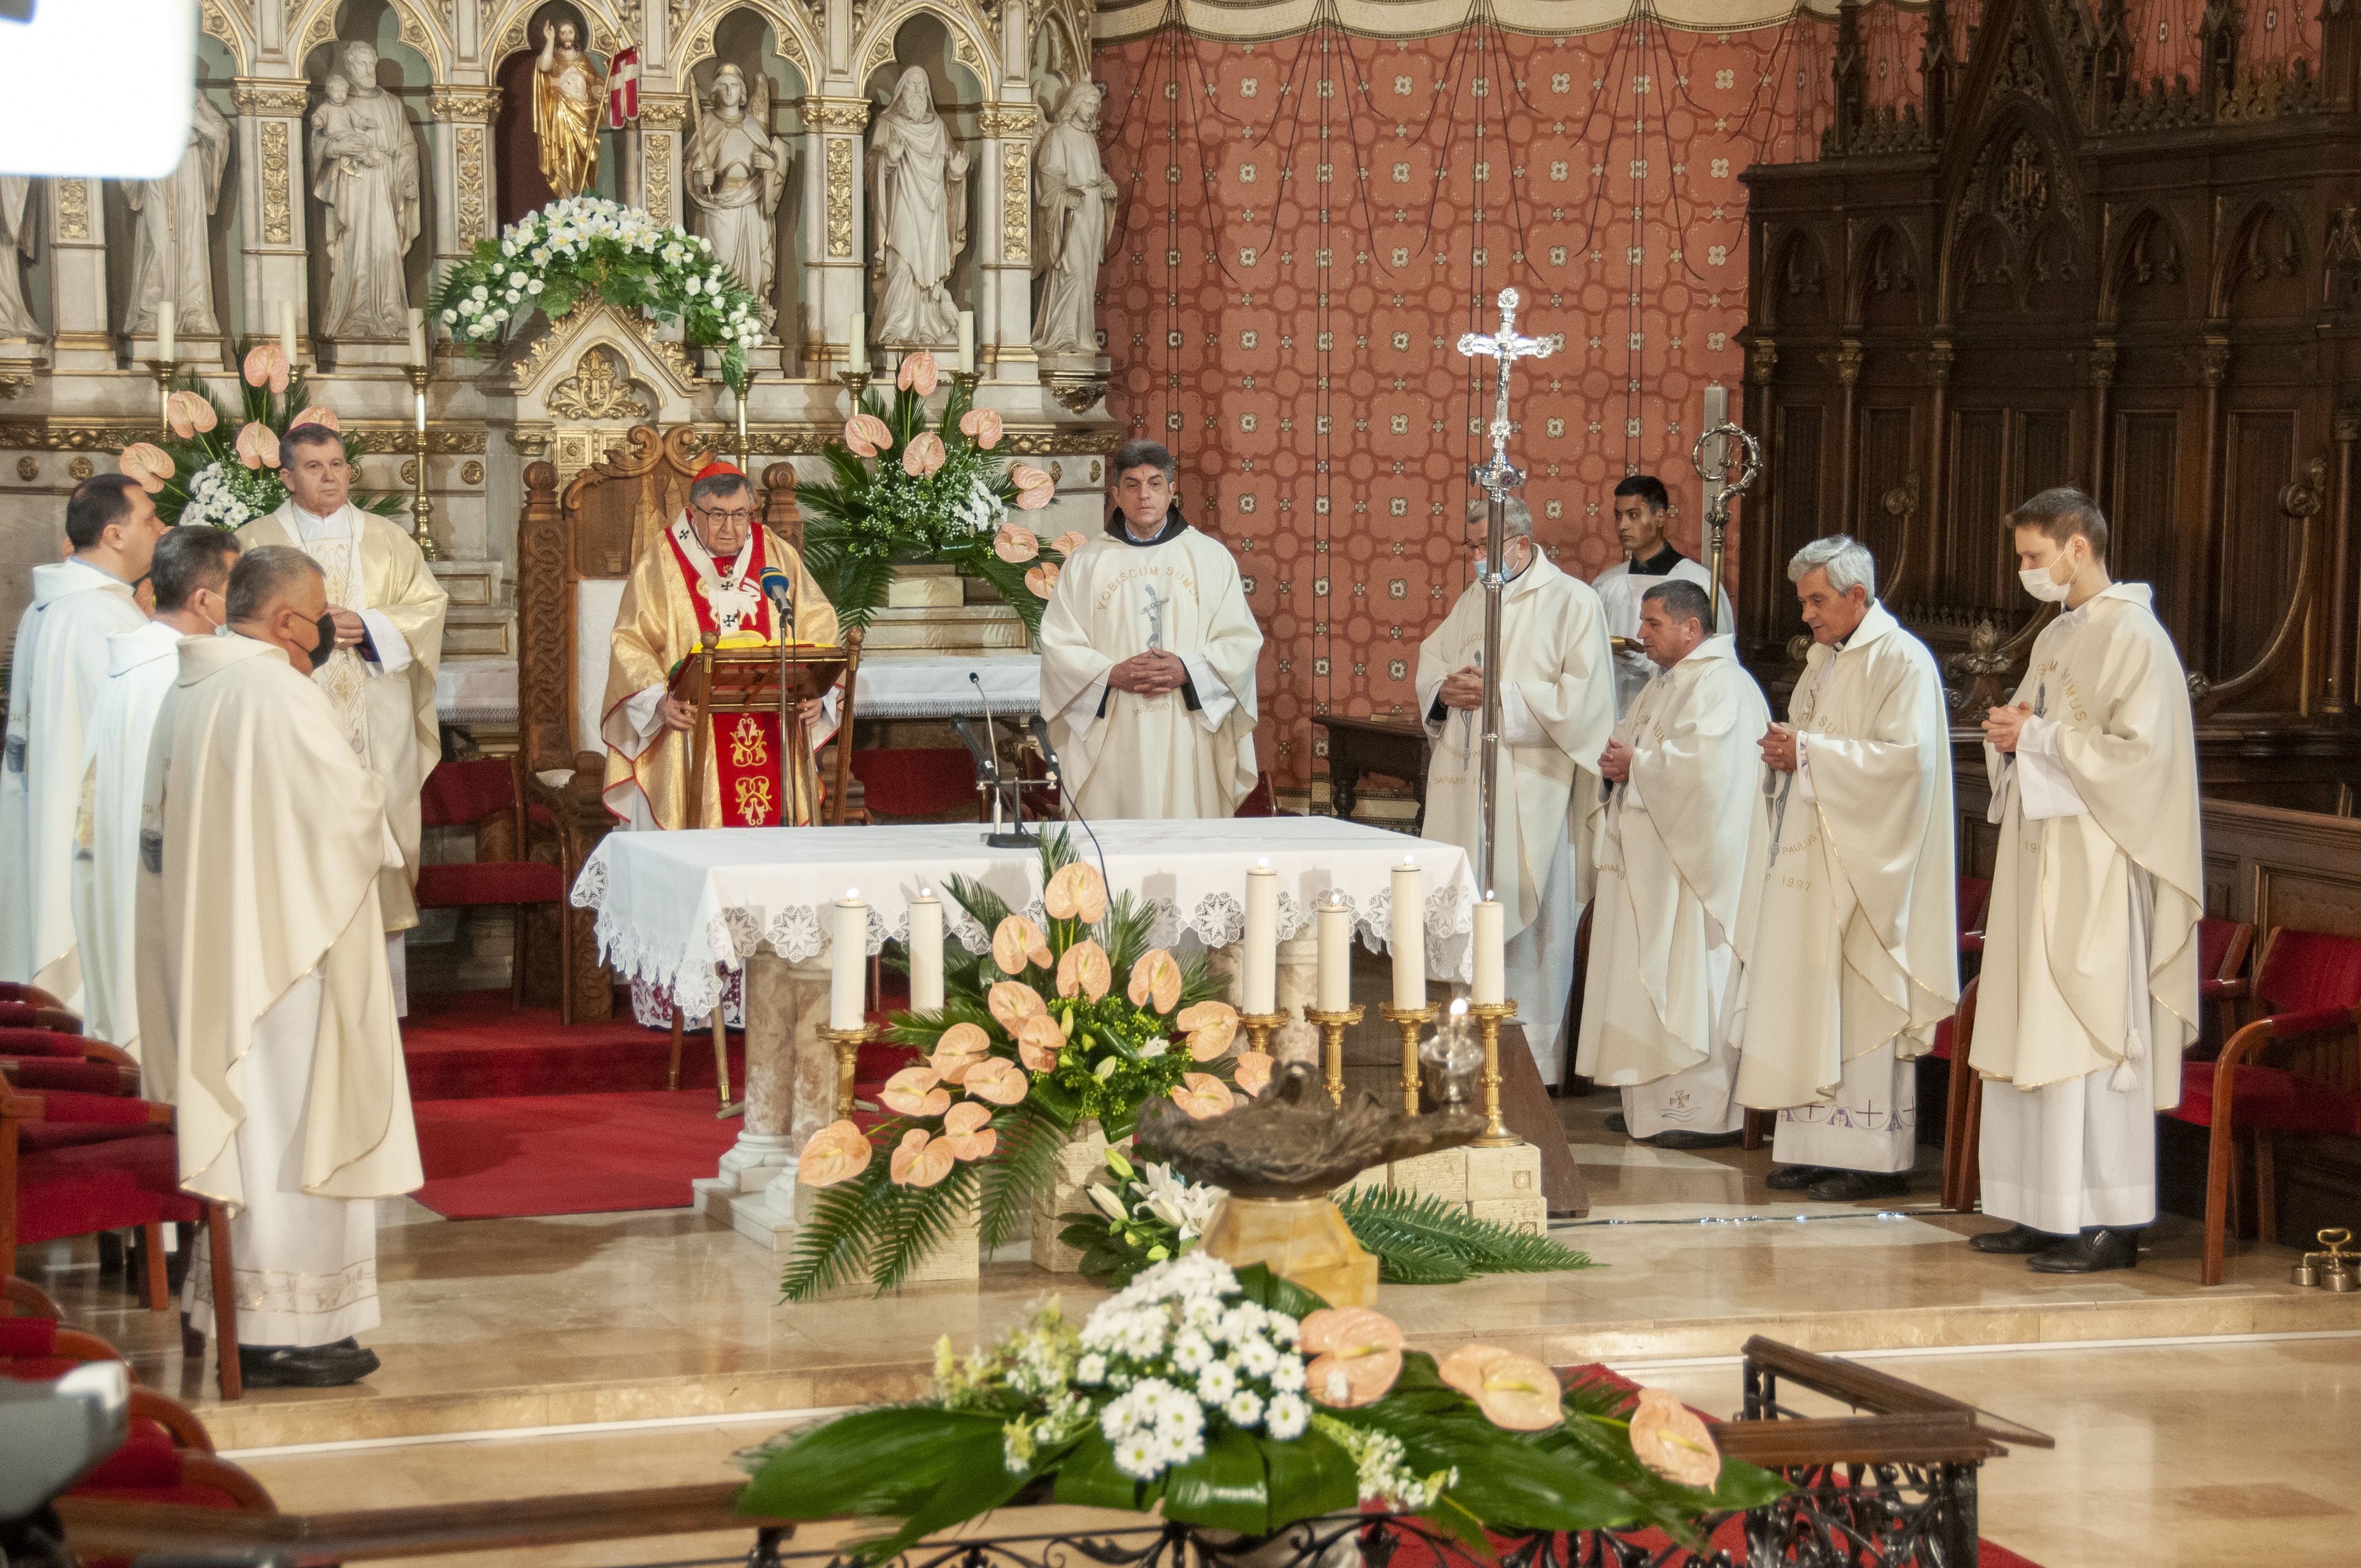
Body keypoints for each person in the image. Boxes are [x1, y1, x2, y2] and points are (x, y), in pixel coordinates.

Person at [137, 546, 422, 1389]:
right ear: (290, 621)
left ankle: (227, 1305)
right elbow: (349, 813)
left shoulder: (192, 687)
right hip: (285, 963)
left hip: (229, 946)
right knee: (292, 1129)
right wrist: (376, 790)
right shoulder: (274, 690)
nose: (327, 627)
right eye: (321, 610)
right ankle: (278, 1326)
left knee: (254, 1134)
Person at [1970, 489, 2201, 1273]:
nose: (2027, 572)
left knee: (2091, 1033)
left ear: (2078, 547)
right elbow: (2040, 729)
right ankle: (2041, 1206)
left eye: (2035, 557)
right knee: (2034, 1025)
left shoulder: (2138, 637)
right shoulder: (2060, 634)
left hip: (2099, 866)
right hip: (2043, 856)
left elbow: (2145, 759)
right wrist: (2010, 739)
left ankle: (2107, 1219)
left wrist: (2037, 737)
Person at [1732, 535, 1957, 1201]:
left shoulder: (1903, 661)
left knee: (1859, 992)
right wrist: (1786, 753)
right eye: (1803, 601)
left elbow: (1904, 765)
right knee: (1807, 996)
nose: (1806, 614)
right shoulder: (1823, 661)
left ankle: (1870, 1156)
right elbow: (1809, 740)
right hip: (1813, 856)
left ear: (1858, 596)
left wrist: (1809, 752)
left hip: (1870, 867)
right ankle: (1809, 1143)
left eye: (1817, 600)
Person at [236, 424, 445, 1015]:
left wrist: (372, 626)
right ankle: (293, 993)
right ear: (286, 476)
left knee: (381, 838)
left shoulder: (387, 539)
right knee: (292, 839)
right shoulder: (254, 542)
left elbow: (427, 607)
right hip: (289, 721)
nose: (330, 477)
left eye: (337, 465)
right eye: (313, 467)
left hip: (377, 718)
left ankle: (382, 1004)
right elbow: (235, 622)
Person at [1416, 496, 1614, 1082]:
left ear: (1522, 545)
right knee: (1471, 909)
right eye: (1470, 549)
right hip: (1469, 783)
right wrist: (1443, 689)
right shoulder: (1474, 599)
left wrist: (1499, 696)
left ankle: (1535, 1065)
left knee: (1532, 923)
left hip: (1536, 790)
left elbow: (1587, 700)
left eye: (1484, 547)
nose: (1476, 559)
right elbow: (1433, 662)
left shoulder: (1572, 601)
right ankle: (1470, 1048)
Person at [1576, 579, 1770, 1145]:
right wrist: (1619, 762)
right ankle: (1650, 1096)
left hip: (1695, 874)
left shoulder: (1724, 687)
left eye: (1652, 623)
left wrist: (1639, 763)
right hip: (1651, 861)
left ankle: (1700, 1112)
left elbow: (1709, 777)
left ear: (1692, 628)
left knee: (1692, 978)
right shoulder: (1664, 684)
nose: (1640, 634)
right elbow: (1628, 745)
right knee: (1642, 974)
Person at [600, 460, 840, 831]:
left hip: (772, 721)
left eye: (740, 515)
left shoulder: (777, 554)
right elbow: (631, 643)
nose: (730, 527)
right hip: (690, 727)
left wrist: (815, 695)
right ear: (692, 512)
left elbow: (817, 623)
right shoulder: (661, 561)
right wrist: (658, 704)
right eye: (717, 515)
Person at [74, 526, 240, 1058]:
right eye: (236, 586)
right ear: (202, 599)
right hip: (164, 883)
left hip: (122, 872)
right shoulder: (178, 674)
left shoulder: (130, 664)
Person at [0, 475, 164, 1006]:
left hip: (52, 813)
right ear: (115, 535)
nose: (162, 529)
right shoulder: (103, 616)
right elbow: (135, 739)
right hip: (94, 833)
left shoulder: (46, 606)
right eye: (150, 519)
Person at [1039, 440, 1263, 819]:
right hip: (1113, 728)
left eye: (1155, 483)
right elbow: (1059, 644)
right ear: (1115, 494)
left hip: (1189, 729)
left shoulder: (1211, 559)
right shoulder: (1085, 564)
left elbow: (1240, 642)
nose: (1144, 495)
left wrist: (1188, 669)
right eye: (1132, 485)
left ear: (1172, 491)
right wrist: (1111, 673)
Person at [1591, 475, 1732, 716]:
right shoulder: (1606, 584)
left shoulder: (1698, 582)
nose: (1622, 525)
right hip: (1614, 706)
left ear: (1660, 517)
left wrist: (1645, 663)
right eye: (1618, 516)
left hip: (1675, 708)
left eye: (1633, 515)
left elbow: (1716, 662)